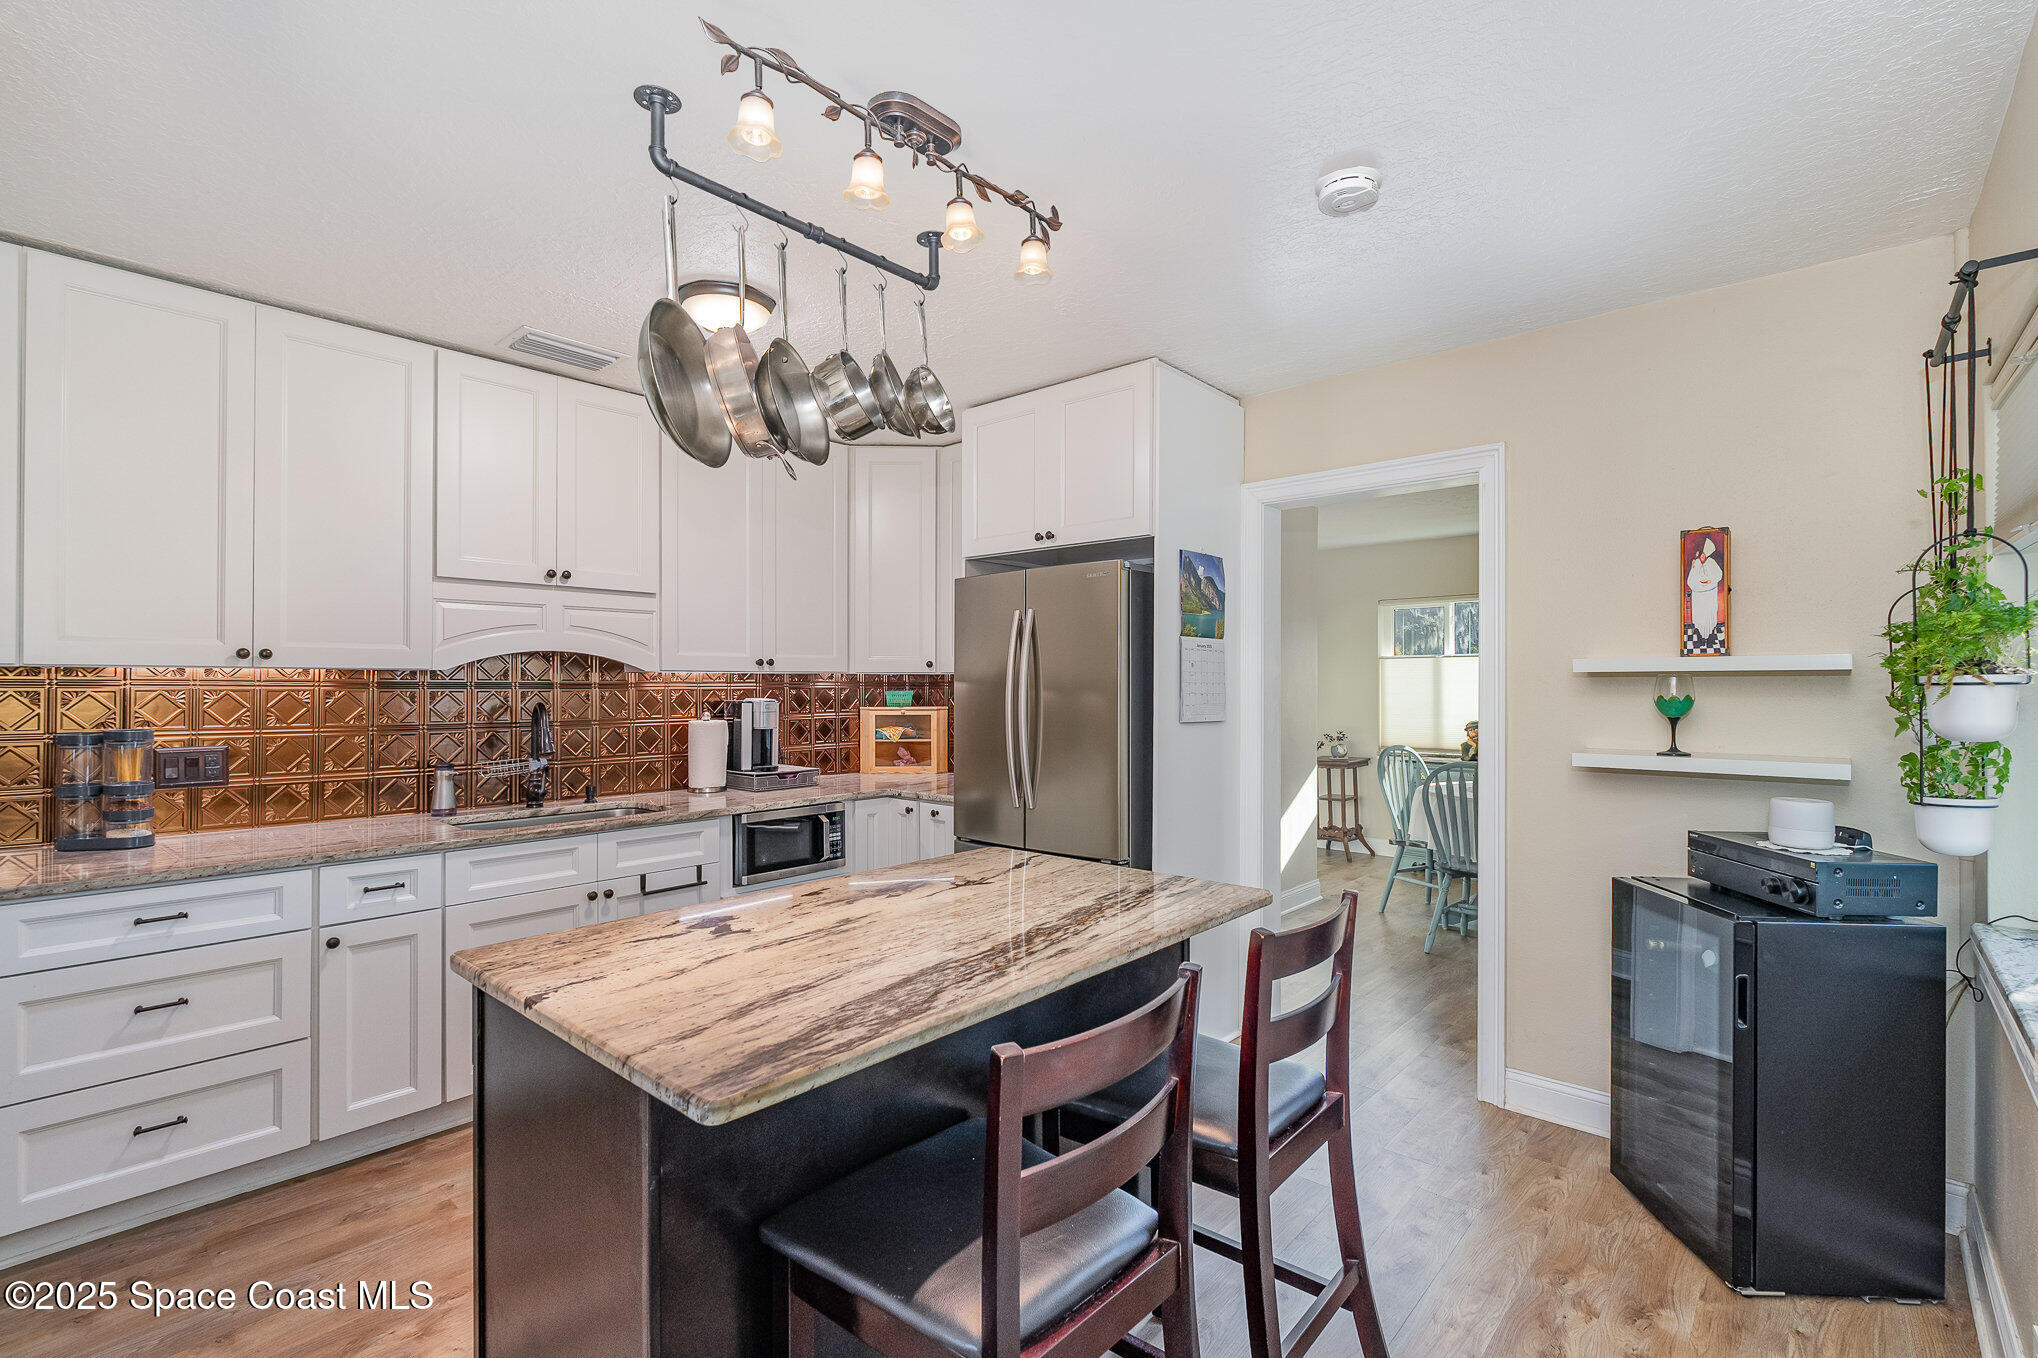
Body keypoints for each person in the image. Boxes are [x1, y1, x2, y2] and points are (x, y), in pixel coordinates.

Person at [1686, 536, 1724, 650]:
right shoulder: (1695, 563)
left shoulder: (1712, 562)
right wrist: (1699, 582)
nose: (1703, 556)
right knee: (1699, 616)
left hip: (1710, 594)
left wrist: (1709, 580)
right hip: (1698, 595)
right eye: (1701, 554)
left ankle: (1711, 639)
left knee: (1710, 614)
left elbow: (1719, 575)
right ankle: (1699, 640)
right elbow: (1690, 580)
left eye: (1704, 554)